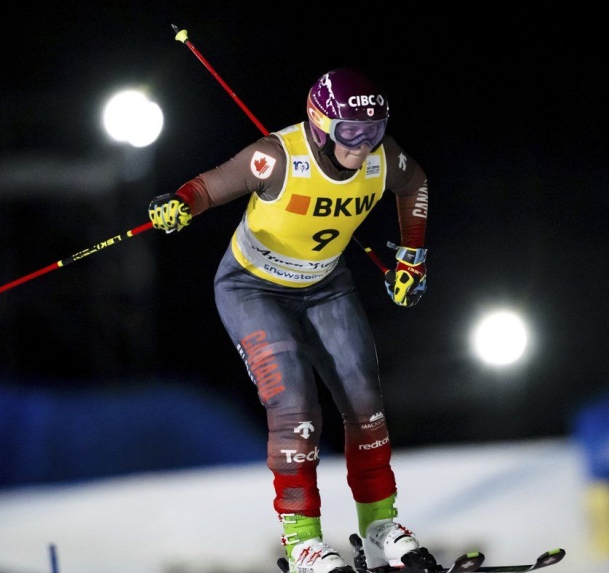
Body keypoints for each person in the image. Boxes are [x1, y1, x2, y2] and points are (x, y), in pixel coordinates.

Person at [148, 67, 432, 573]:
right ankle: (303, 543)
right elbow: (210, 187)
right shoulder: (279, 156)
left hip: (325, 285)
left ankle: (379, 529)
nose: (362, 144)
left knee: (366, 404)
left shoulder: (383, 158)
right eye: (350, 131)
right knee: (295, 404)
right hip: (252, 288)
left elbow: (415, 183)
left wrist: (412, 258)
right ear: (320, 124)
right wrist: (178, 204)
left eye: (373, 130)